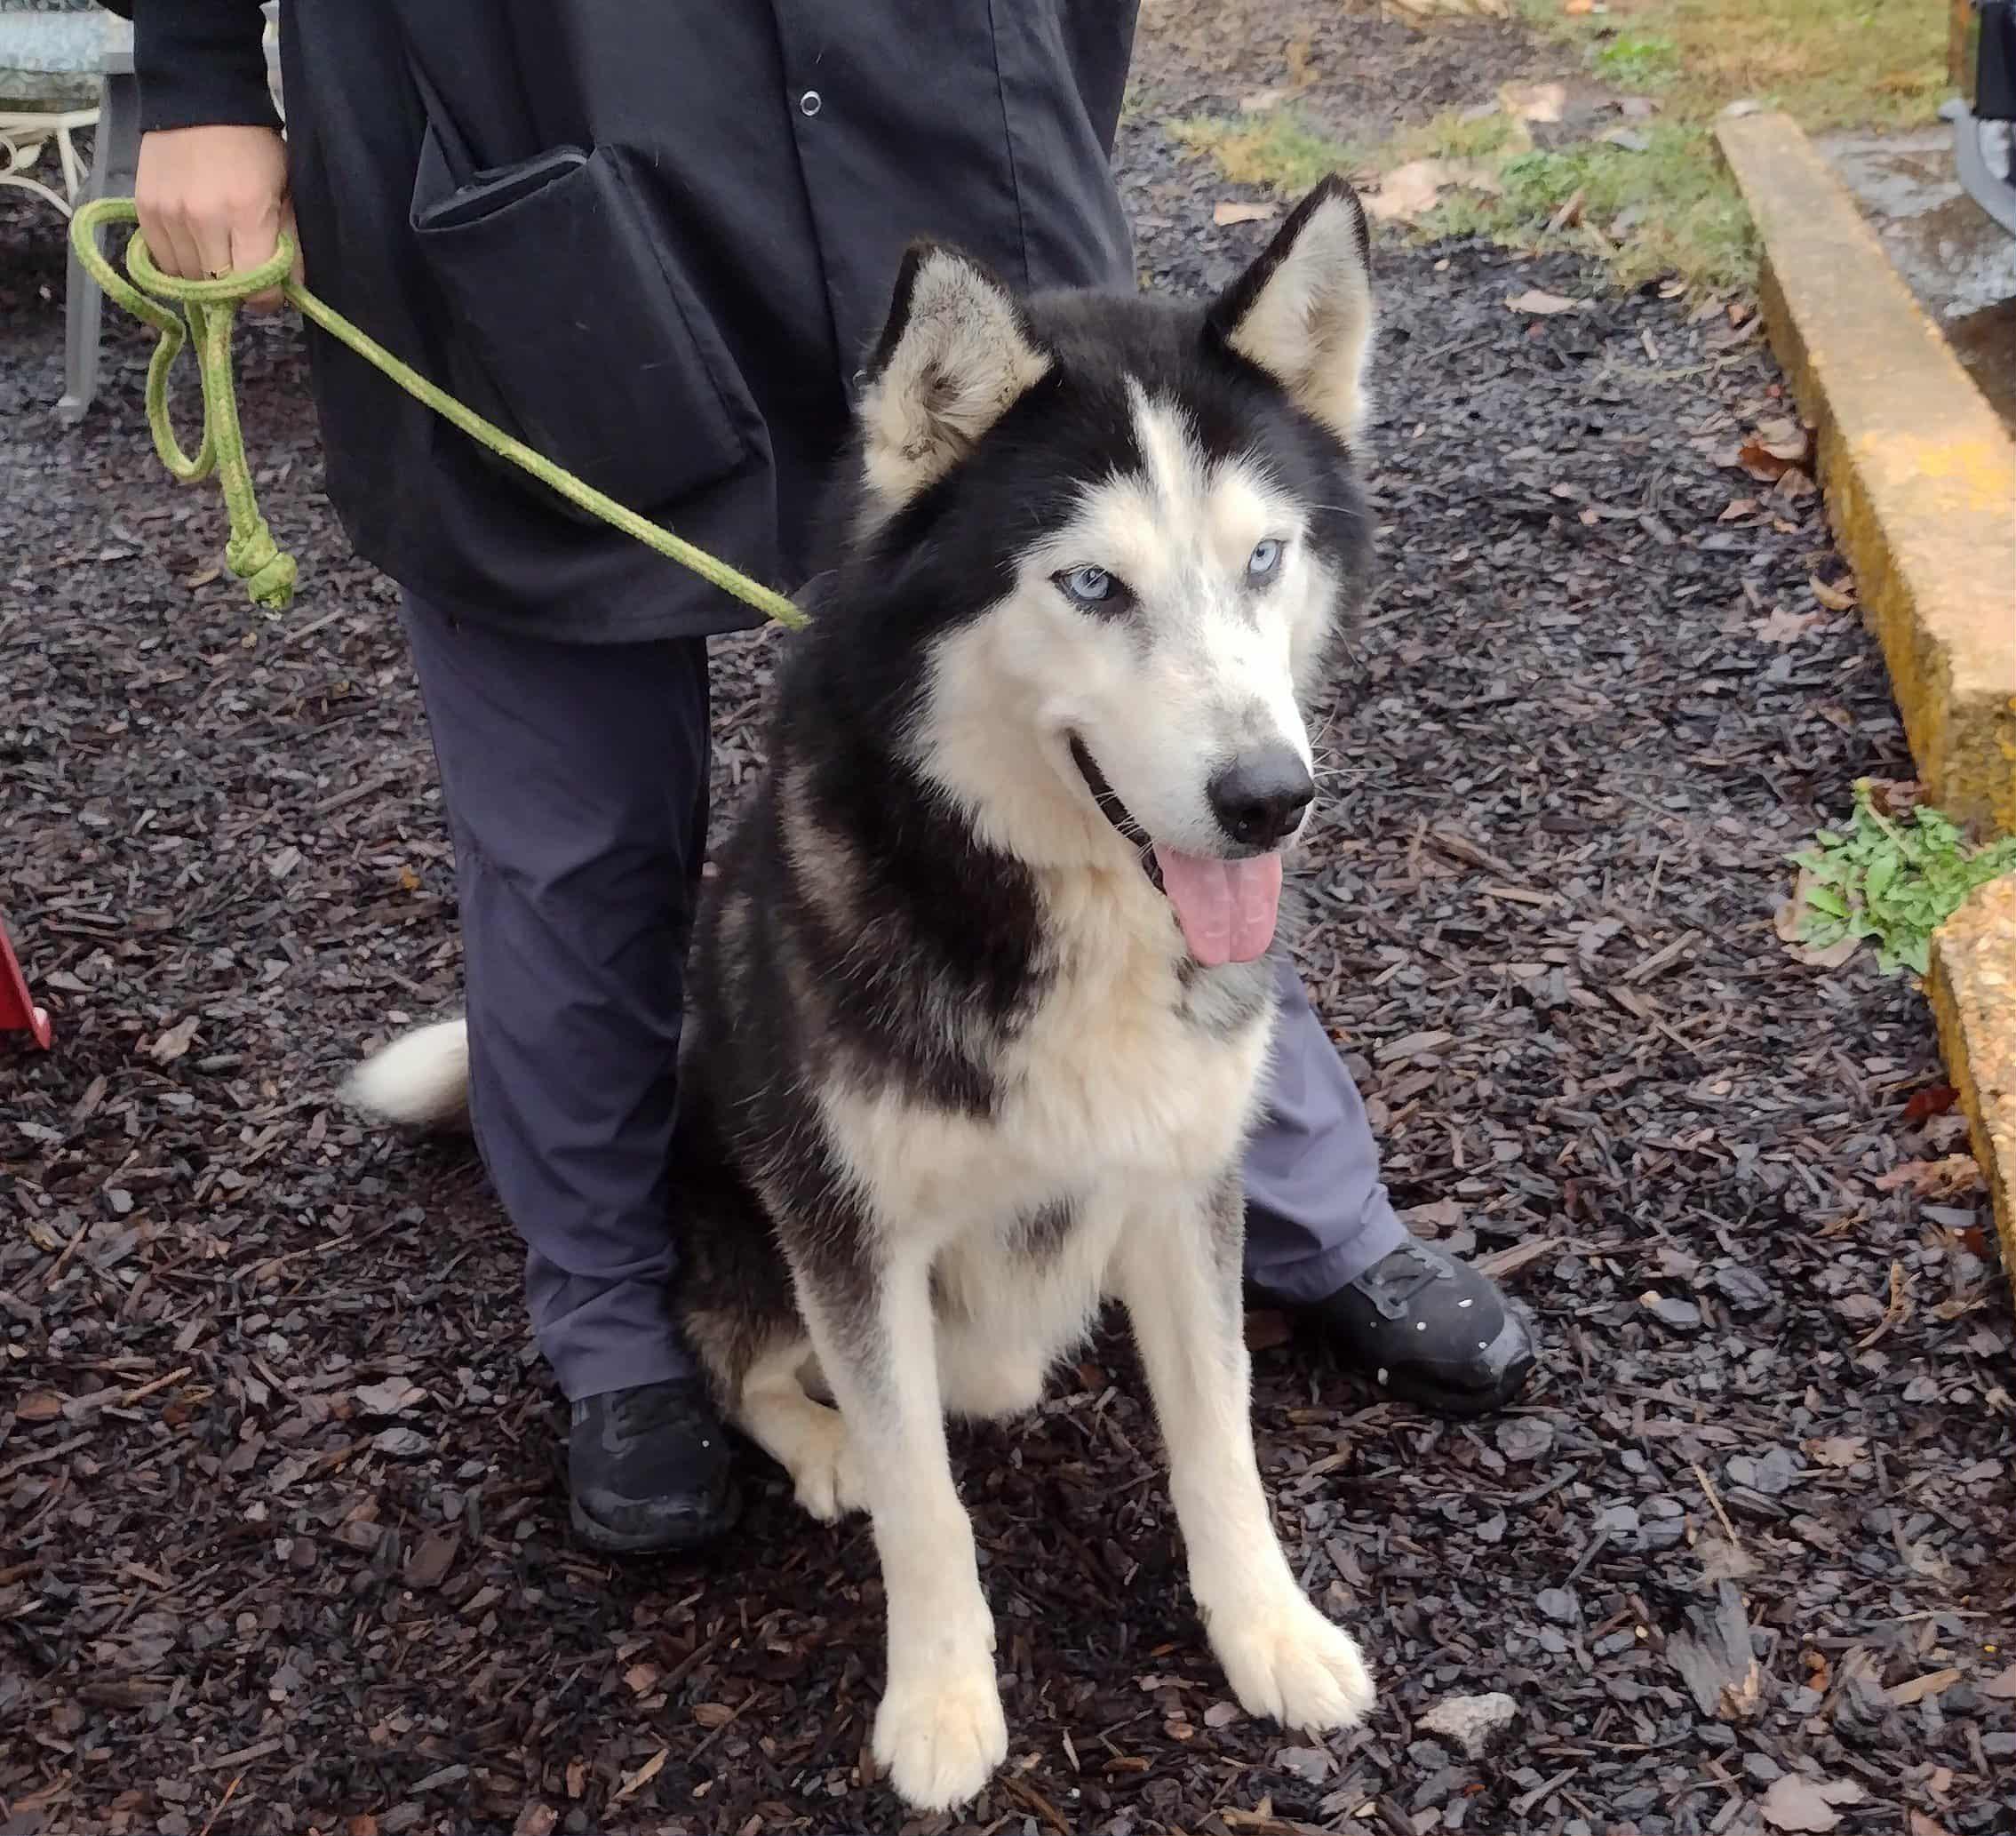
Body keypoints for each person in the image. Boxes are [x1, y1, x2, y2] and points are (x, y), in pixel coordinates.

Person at [126, 2, 1537, 1554]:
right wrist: (196, 72)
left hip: (929, 88)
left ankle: (1298, 1197)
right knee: (573, 829)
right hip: (514, 103)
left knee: (1146, 746)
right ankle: (621, 1318)